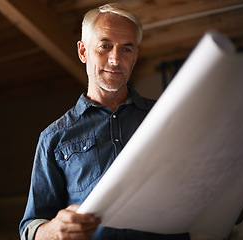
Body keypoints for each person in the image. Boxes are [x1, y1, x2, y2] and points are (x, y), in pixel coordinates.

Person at [19, 3, 191, 240]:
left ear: (135, 56)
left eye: (126, 49)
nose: (115, 59)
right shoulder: (54, 137)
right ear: (83, 52)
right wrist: (53, 231)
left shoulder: (169, 117)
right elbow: (30, 227)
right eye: (105, 46)